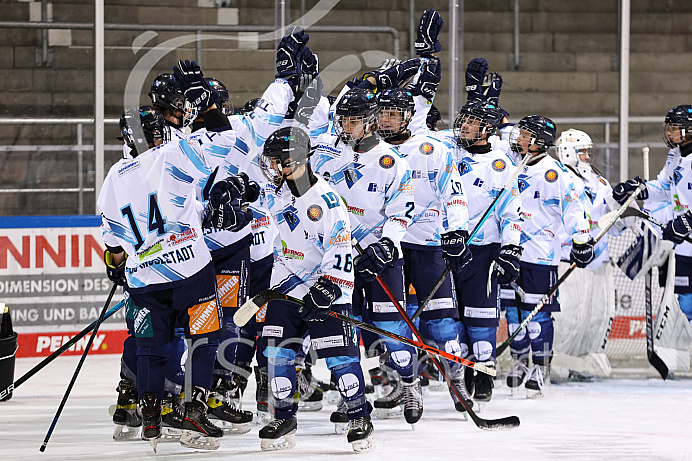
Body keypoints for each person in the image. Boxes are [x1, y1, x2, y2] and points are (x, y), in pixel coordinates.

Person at [99, 105, 255, 451]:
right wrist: (211, 109)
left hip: (143, 278)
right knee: (203, 337)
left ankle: (150, 415)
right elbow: (225, 138)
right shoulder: (174, 152)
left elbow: (112, 241)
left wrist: (117, 263)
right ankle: (195, 410)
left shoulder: (113, 175)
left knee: (150, 348)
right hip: (190, 270)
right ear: (158, 132)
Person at [257, 127, 374, 453]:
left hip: (327, 289)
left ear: (294, 160)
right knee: (276, 356)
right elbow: (255, 199)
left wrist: (329, 289)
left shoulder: (326, 201)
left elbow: (340, 245)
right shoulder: (278, 191)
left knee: (340, 361)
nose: (273, 167)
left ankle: (358, 415)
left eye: (277, 161)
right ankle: (284, 417)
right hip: (285, 289)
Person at [311, 87, 415, 423]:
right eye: (343, 119)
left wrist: (387, 244)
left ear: (370, 122)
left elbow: (402, 212)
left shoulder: (392, 161)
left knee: (390, 329)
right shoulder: (324, 154)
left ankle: (410, 382)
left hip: (381, 257)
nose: (347, 125)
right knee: (342, 331)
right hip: (339, 258)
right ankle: (351, 397)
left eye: (354, 119)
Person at [376, 87, 471, 423]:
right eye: (382, 113)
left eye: (392, 113)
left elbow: (454, 192)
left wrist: (457, 231)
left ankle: (455, 376)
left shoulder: (432, 149)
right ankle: (408, 383)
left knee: (443, 323)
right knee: (391, 325)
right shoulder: (371, 151)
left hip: (429, 245)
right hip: (389, 248)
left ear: (407, 116)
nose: (385, 120)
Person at [503, 115, 593, 397]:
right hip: (509, 250)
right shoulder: (510, 165)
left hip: (540, 254)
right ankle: (519, 361)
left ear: (539, 141)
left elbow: (574, 209)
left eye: (525, 134)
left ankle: (540, 367)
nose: (519, 138)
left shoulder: (554, 173)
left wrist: (581, 240)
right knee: (513, 313)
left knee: (537, 315)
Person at [448, 99, 523, 404]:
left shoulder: (501, 164)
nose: (463, 126)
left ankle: (484, 371)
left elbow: (511, 213)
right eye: (463, 119)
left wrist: (511, 249)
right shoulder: (448, 151)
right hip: (448, 247)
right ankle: (462, 368)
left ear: (488, 129)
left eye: (471, 122)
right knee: (450, 317)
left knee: (479, 316)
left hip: (483, 250)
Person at [612, 105, 692, 326]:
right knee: (685, 302)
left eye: (675, 128)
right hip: (684, 244)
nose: (669, 133)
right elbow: (665, 187)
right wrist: (639, 190)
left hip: (686, 231)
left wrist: (688, 220)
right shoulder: (675, 154)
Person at [553, 129, 623, 379]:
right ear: (568, 152)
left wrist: (622, 202)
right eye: (581, 151)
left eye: (587, 151)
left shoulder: (599, 181)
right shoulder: (557, 177)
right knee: (567, 316)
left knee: (596, 317)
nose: (586, 156)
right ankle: (557, 360)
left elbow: (612, 220)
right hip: (567, 258)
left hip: (598, 260)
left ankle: (584, 361)